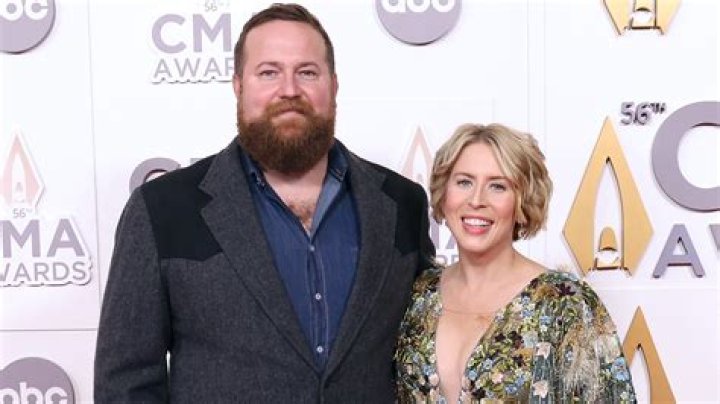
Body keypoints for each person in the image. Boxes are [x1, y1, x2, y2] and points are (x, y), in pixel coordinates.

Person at [94, 3, 434, 402]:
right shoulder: (163, 209)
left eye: (307, 72)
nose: (289, 90)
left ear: (334, 86)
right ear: (238, 86)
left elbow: (428, 346)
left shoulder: (401, 203)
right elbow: (126, 383)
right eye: (269, 72)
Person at [395, 123, 636, 403]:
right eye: (464, 182)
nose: (476, 200)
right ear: (444, 192)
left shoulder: (564, 304)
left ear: (523, 200)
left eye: (497, 186)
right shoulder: (418, 296)